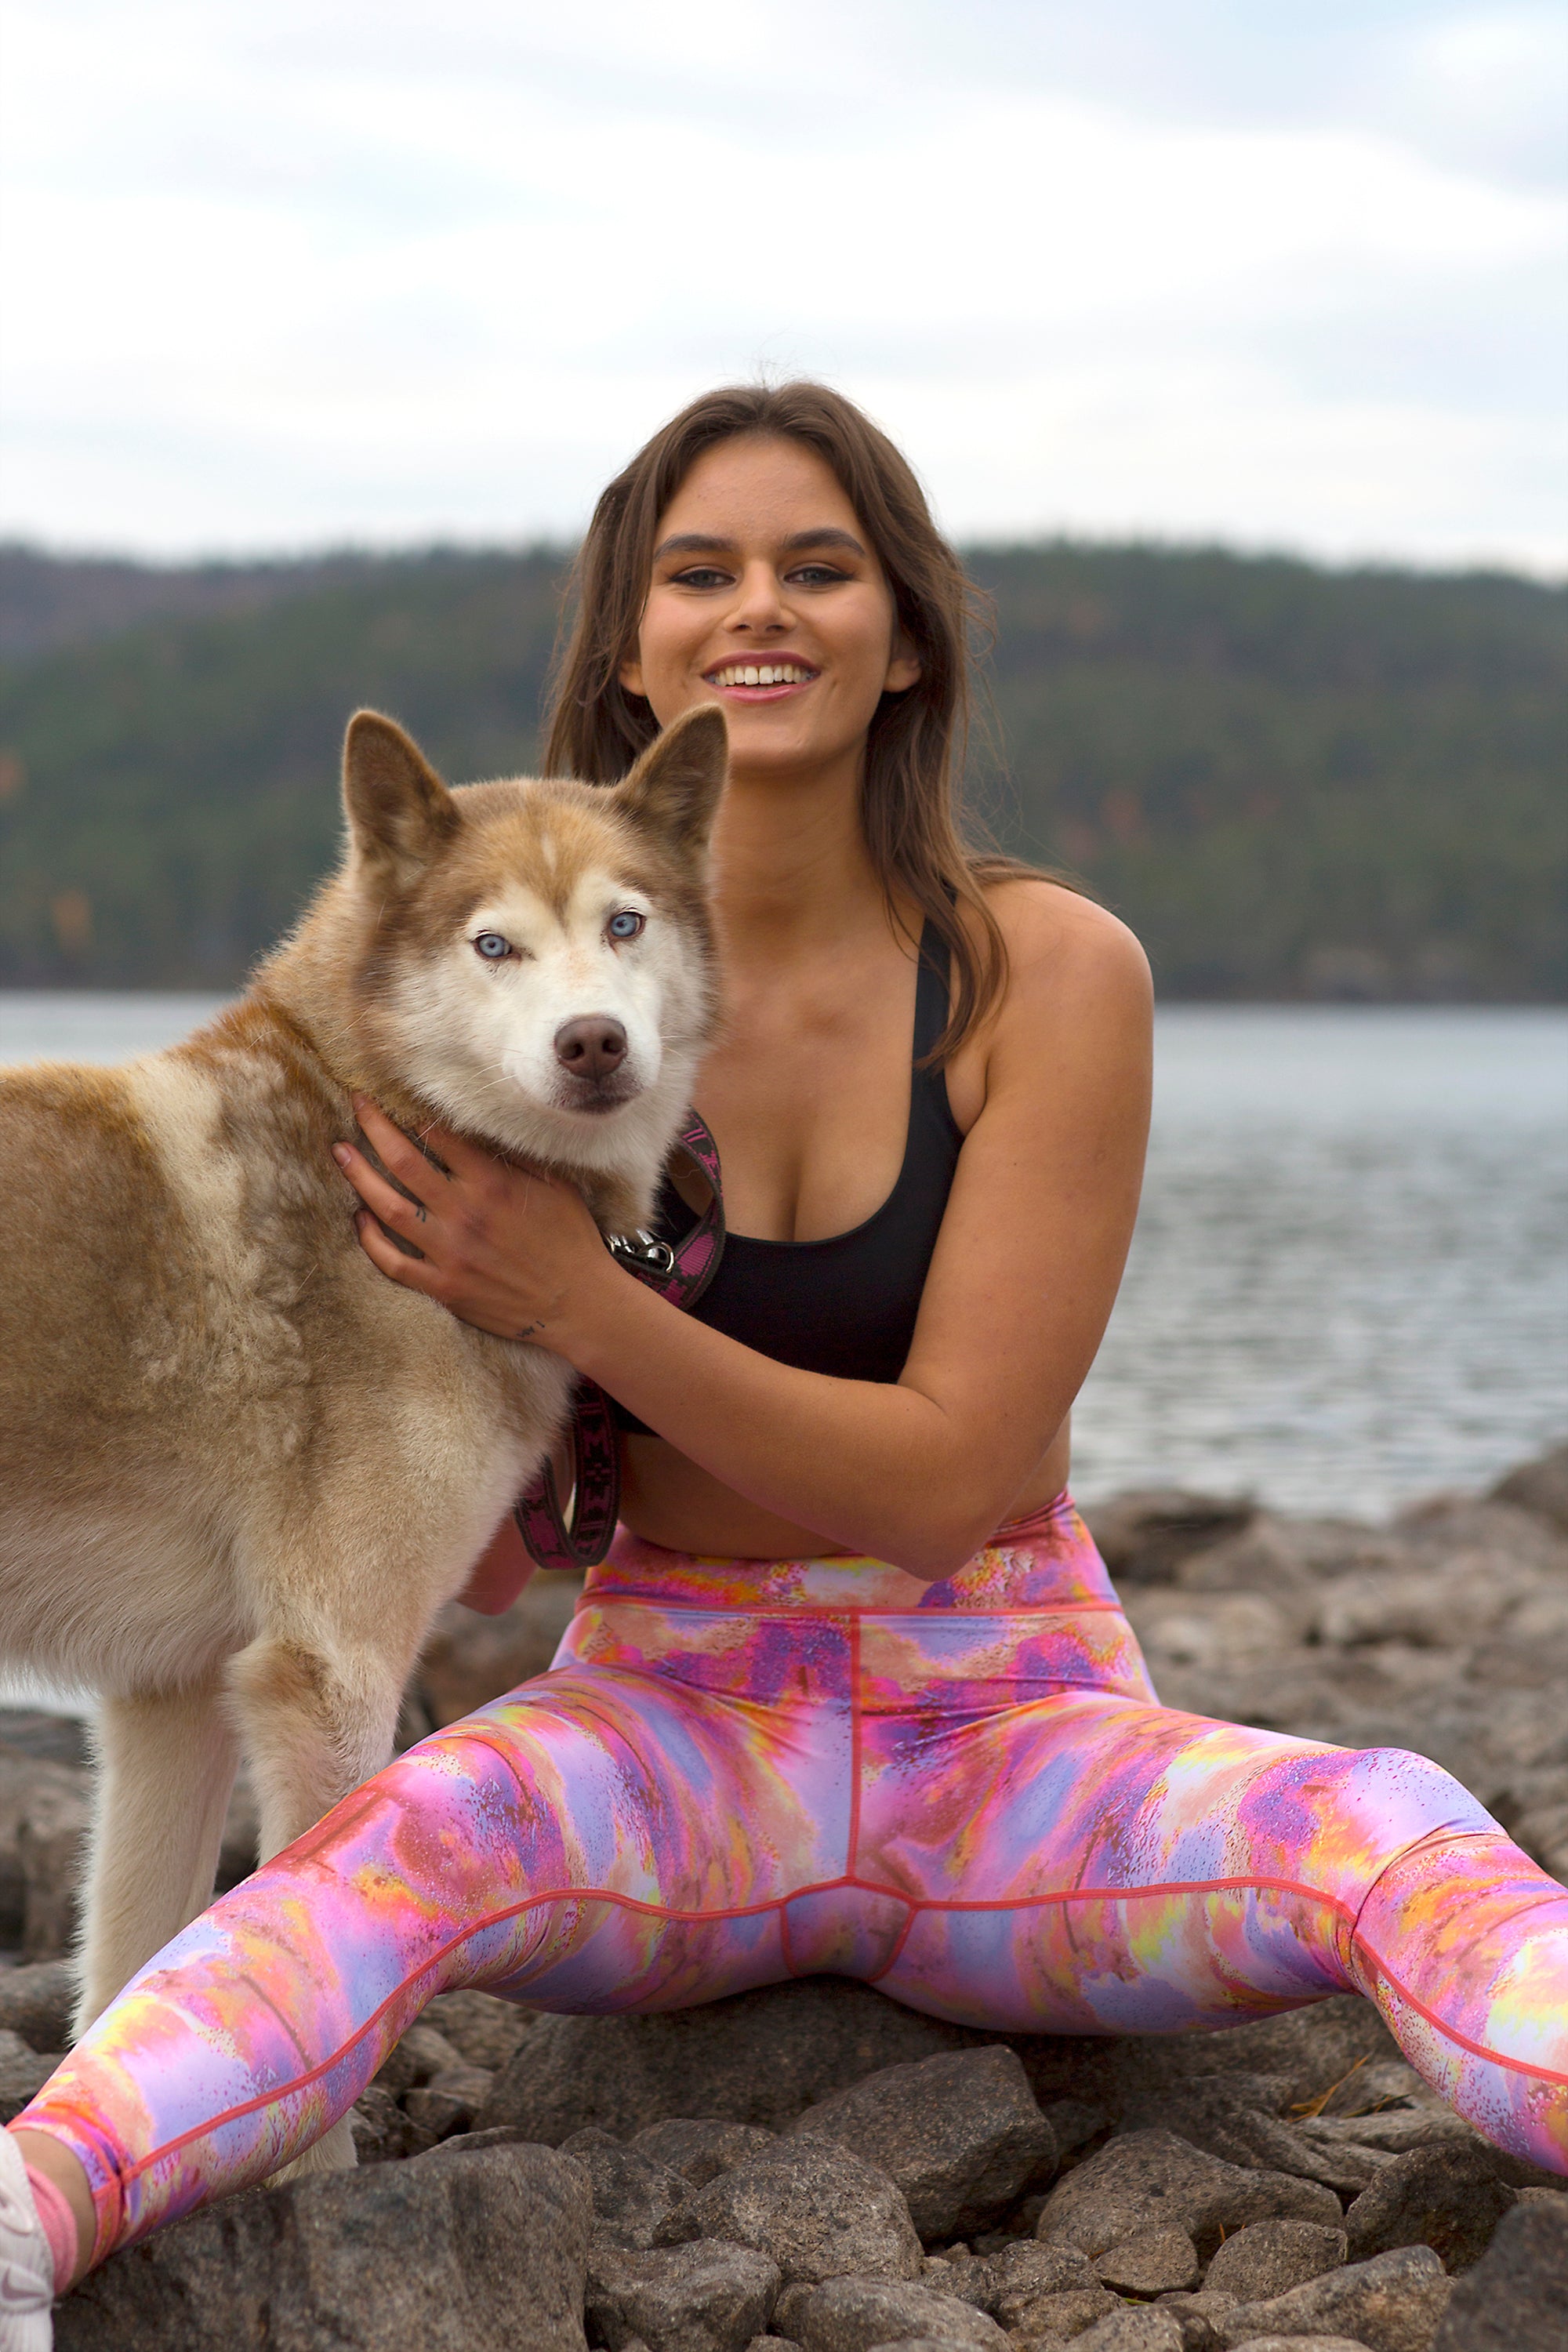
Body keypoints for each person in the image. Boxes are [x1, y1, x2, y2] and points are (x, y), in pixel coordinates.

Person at [3, 383, 1565, 2344]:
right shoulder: (537, 1032)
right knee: (366, 1864)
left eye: (819, 567)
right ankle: (36, 2211)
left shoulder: (1046, 973)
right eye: (703, 572)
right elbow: (454, 1556)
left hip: (1008, 1736)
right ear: (628, 649)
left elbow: (940, 1483)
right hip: (671, 1737)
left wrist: (574, 1303)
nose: (765, 606)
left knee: (1384, 1824)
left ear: (903, 632)